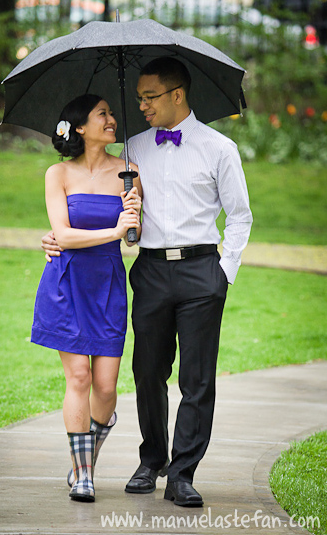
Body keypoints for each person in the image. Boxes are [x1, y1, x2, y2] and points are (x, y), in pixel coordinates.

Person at [42, 57, 253, 507]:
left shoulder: (220, 149)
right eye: (136, 98)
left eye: (149, 97)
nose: (140, 106)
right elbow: (103, 208)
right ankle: (151, 459)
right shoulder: (133, 150)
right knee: (147, 372)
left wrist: (224, 272)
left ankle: (182, 473)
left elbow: (240, 216)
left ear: (177, 94)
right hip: (151, 272)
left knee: (197, 379)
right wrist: (58, 237)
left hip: (202, 271)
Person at [31, 93, 142, 503]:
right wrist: (113, 231)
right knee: (78, 378)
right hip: (66, 284)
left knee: (106, 387)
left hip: (108, 284)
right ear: (80, 126)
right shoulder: (57, 173)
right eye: (102, 114)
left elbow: (134, 236)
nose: (111, 119)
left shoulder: (128, 172)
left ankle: (86, 454)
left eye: (111, 114)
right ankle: (83, 475)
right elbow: (61, 235)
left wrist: (132, 215)